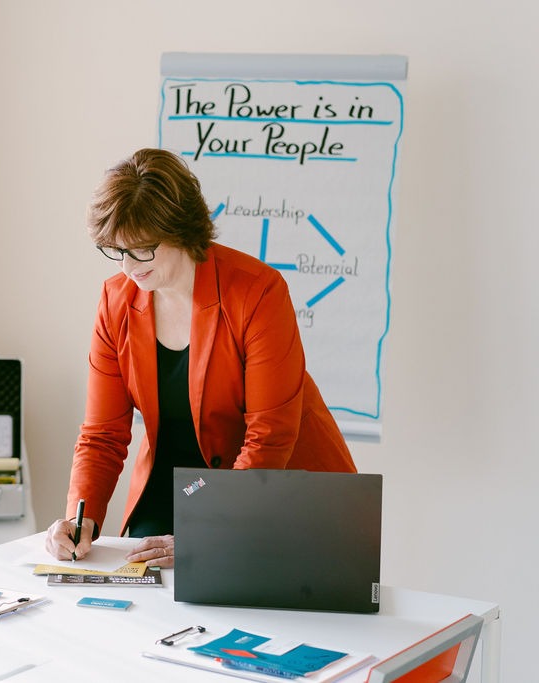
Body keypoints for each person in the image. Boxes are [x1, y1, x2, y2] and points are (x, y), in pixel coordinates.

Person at [45, 148, 356, 568]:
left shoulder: (257, 291)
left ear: (181, 229)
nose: (128, 267)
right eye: (115, 250)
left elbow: (268, 436)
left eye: (142, 249)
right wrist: (79, 519)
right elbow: (102, 435)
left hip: (271, 490)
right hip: (180, 487)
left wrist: (211, 532)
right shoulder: (115, 300)